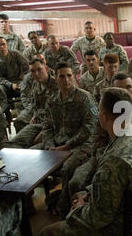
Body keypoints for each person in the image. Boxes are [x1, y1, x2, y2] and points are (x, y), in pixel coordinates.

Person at [37, 87, 132, 236]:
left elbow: (98, 218)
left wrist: (77, 210)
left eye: (99, 110)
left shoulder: (114, 162)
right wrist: (87, 195)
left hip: (114, 235)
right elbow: (114, 188)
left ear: (104, 116)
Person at [55, 73, 132, 216]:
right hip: (102, 156)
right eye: (119, 90)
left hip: (126, 160)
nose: (124, 93)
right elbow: (97, 141)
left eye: (128, 88)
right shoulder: (106, 111)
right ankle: (66, 211)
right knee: (76, 182)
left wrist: (109, 162)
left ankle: (75, 215)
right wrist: (103, 159)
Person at [39, 62, 98, 217]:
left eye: (69, 76)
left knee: (68, 167)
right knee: (32, 157)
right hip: (58, 143)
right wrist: (50, 145)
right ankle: (28, 204)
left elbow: (89, 127)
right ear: (56, 79)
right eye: (62, 76)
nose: (66, 79)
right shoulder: (52, 100)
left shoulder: (84, 98)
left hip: (82, 144)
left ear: (74, 77)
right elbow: (47, 126)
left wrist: (66, 146)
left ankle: (62, 206)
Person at [4, 58, 58, 149]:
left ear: (46, 68)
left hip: (53, 128)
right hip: (39, 122)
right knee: (12, 144)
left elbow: (59, 117)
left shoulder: (57, 86)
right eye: (32, 71)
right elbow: (36, 104)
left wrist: (43, 133)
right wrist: (35, 115)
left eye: (39, 69)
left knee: (31, 150)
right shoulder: (36, 84)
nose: (36, 74)